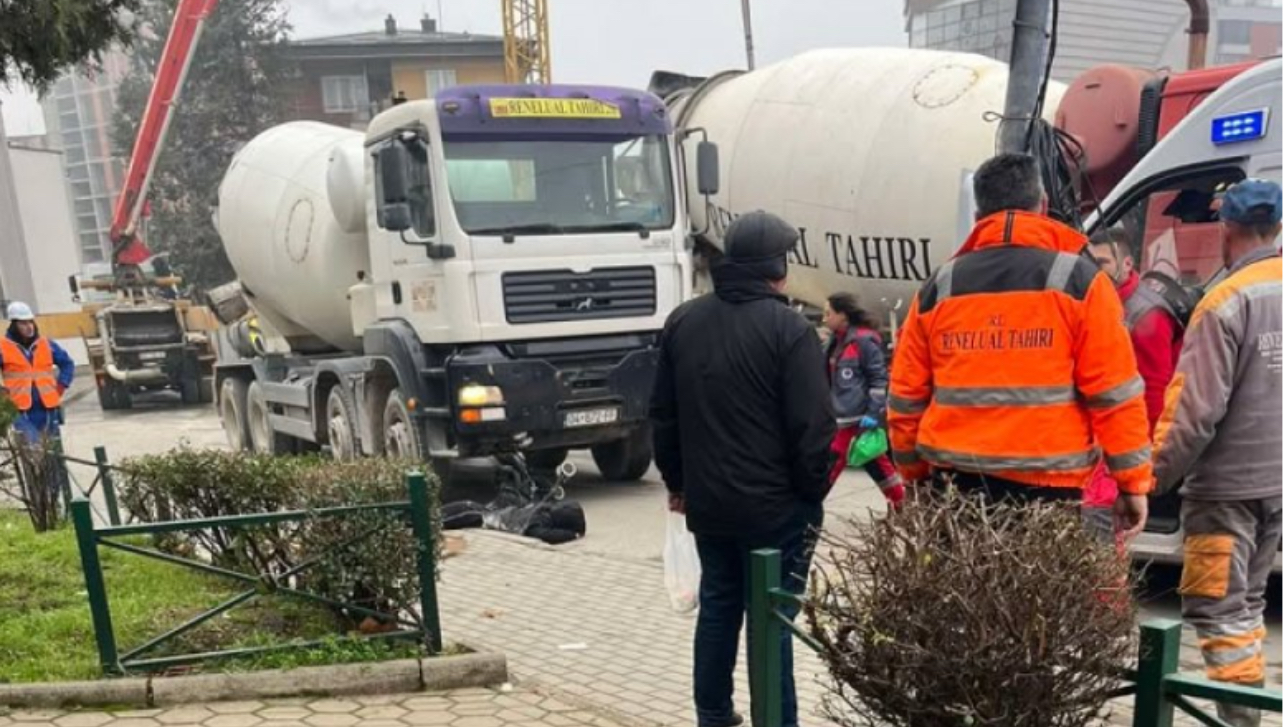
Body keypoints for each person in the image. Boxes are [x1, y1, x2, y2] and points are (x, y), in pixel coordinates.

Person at [887, 153, 1152, 537]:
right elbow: (1114, 394)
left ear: (979, 214)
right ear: (1042, 205)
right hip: (1049, 492)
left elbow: (905, 397)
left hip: (955, 487)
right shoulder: (1080, 281)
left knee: (960, 597)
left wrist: (914, 476)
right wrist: (1132, 483)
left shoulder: (940, 286)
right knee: (1037, 598)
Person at [650, 210, 835, 727]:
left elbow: (663, 415)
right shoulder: (790, 330)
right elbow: (813, 429)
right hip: (775, 510)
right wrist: (810, 492)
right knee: (772, 619)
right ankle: (774, 721)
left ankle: (712, 714)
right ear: (776, 267)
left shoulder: (683, 322)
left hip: (709, 505)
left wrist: (678, 484)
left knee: (719, 606)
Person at [1152, 179, 1282, 727]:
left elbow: (1193, 413)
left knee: (1218, 608)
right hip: (1275, 486)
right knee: (1247, 604)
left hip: (1224, 492)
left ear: (1226, 230)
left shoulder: (1224, 301)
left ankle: (1241, 722)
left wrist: (1148, 479)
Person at [1082, 227, 1183, 543]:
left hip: (1121, 454)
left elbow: (1154, 396)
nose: (1093, 271)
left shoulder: (1144, 315)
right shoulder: (1110, 302)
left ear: (1127, 265)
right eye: (1089, 263)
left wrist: (1141, 472)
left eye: (1102, 263)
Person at [821, 292, 905, 508]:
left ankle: (809, 506)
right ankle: (903, 505)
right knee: (879, 467)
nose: (824, 319)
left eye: (828, 313)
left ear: (843, 315)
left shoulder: (863, 342)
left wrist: (872, 414)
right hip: (842, 419)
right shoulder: (835, 343)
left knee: (830, 466)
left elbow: (878, 380)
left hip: (856, 421)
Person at [1, 301, 75, 444]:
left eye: (30, 322)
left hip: (48, 408)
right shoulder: (3, 347)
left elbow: (67, 364)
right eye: (23, 323)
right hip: (20, 411)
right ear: (13, 325)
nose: (29, 327)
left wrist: (61, 386)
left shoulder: (46, 344)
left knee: (54, 452)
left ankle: (56, 467)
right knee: (33, 451)